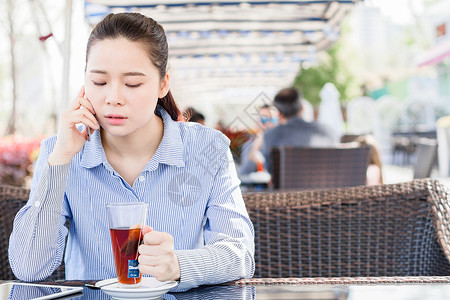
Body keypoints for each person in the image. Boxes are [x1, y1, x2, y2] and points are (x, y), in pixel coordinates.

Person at [8, 12, 254, 292]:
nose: (113, 97)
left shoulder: (207, 148)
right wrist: (61, 161)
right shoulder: (60, 151)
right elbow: (29, 268)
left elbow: (240, 253)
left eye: (132, 84)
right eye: (99, 82)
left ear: (163, 84)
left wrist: (179, 264)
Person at [261, 87, 338, 172]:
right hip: (325, 184)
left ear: (279, 114)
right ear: (302, 107)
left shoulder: (271, 135)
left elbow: (270, 170)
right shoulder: (327, 131)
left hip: (287, 184)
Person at [239, 104, 278, 176]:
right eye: (264, 120)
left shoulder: (283, 141)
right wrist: (255, 148)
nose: (268, 123)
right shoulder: (249, 145)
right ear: (257, 122)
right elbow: (244, 173)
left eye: (272, 120)